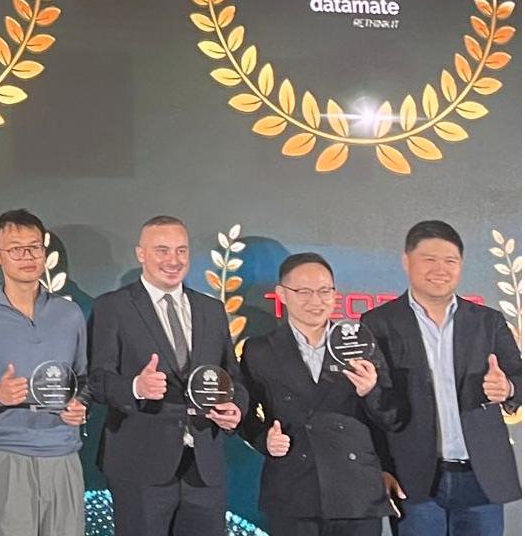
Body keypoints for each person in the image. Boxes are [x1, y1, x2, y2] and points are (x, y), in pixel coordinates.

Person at [88, 214, 247, 536]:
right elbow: (98, 380)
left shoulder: (211, 309)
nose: (173, 260)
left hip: (204, 468)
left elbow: (233, 377)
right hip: (139, 465)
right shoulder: (113, 307)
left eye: (181, 250)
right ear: (141, 254)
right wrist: (136, 386)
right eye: (162, 250)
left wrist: (235, 409)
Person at [362, 220, 521, 536]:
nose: (441, 269)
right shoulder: (378, 323)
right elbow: (373, 406)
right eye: (429, 259)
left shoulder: (487, 321)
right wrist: (381, 467)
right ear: (406, 261)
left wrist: (508, 387)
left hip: (482, 477)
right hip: (414, 478)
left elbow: (518, 374)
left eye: (450, 261)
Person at [238, 252, 403, 536]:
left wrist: (370, 391)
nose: (316, 301)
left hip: (356, 493)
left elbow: (392, 417)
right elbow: (243, 414)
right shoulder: (259, 351)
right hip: (294, 490)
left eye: (324, 291)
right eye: (304, 291)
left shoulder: (360, 343)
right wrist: (265, 440)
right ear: (282, 294)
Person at [0, 210, 88, 536]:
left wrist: (80, 404)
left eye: (34, 247)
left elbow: (83, 378)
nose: (27, 257)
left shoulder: (69, 313)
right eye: (16, 249)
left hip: (62, 452)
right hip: (4, 453)